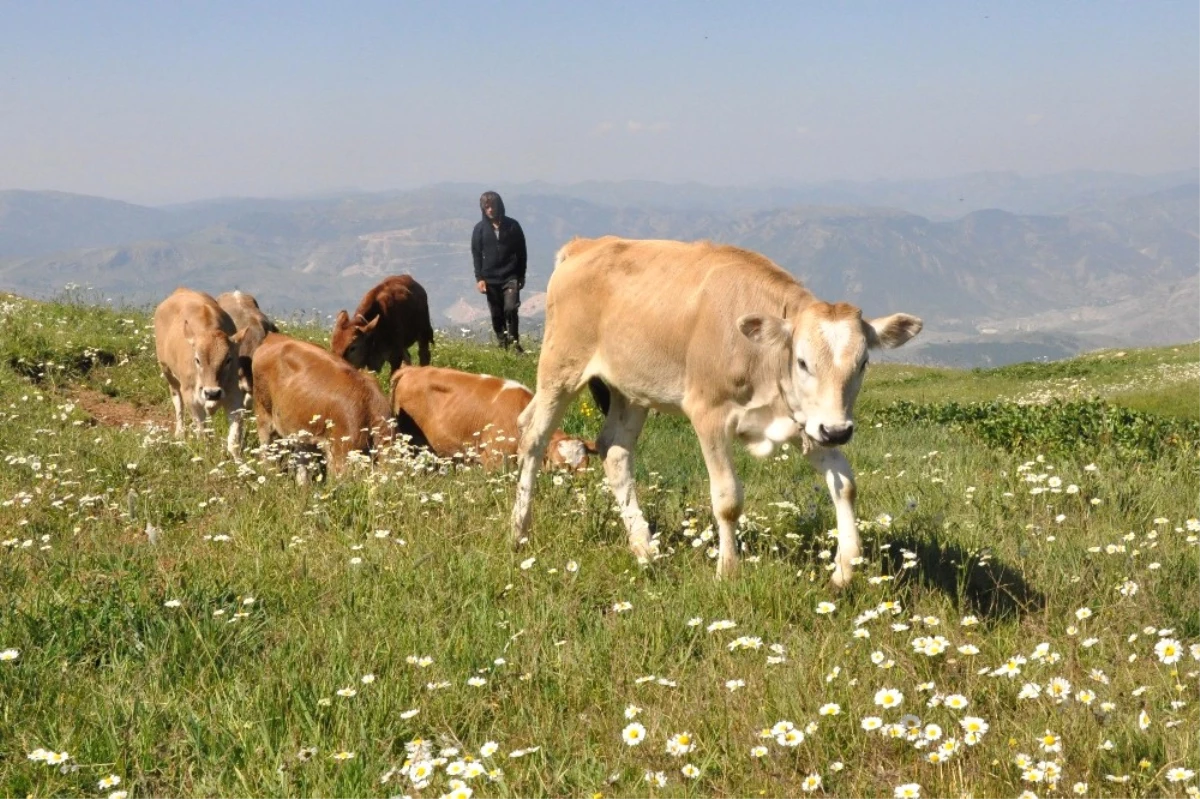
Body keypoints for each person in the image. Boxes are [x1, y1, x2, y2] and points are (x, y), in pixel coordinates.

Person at [471, 191, 528, 352]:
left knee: (510, 308)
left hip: (510, 276)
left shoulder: (513, 226)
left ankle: (515, 343)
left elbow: (522, 251)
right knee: (496, 314)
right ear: (483, 208)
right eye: (486, 207)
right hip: (490, 279)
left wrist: (521, 274)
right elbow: (476, 254)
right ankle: (503, 345)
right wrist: (479, 278)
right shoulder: (479, 229)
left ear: (499, 206)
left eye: (492, 206)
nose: (490, 210)